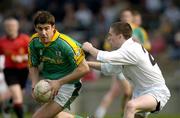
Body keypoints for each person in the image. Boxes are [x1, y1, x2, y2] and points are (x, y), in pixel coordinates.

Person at [82, 22, 170, 118]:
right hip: (141, 93)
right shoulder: (127, 50)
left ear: (120, 36)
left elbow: (105, 57)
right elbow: (108, 68)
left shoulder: (130, 50)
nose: (108, 38)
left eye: (110, 35)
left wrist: (90, 48)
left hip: (156, 92)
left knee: (130, 106)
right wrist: (87, 63)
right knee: (130, 109)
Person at [28, 11, 89, 118]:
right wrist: (34, 84)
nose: (43, 32)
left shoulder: (66, 44)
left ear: (53, 27)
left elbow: (84, 69)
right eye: (40, 28)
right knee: (55, 116)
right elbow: (33, 64)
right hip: (50, 83)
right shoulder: (34, 41)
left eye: (46, 28)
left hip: (69, 85)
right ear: (35, 28)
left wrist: (59, 82)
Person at [0, 17, 30, 118]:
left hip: (23, 70)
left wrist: (22, 58)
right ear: (5, 28)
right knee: (18, 97)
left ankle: (8, 106)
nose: (10, 28)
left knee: (19, 95)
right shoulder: (2, 42)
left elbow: (33, 54)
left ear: (17, 27)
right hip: (10, 71)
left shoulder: (25, 39)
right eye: (8, 26)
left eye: (12, 26)